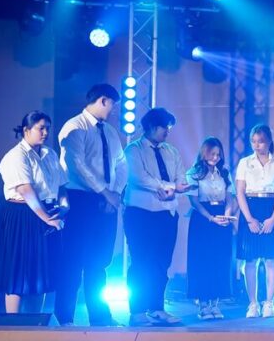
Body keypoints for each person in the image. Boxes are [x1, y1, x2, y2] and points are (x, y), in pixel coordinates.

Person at [56, 83, 127, 327]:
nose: (114, 110)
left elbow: (121, 164)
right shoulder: (74, 127)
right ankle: (65, 317)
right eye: (112, 105)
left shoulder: (110, 132)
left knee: (99, 262)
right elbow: (77, 165)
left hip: (107, 200)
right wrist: (105, 192)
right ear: (103, 100)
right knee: (73, 260)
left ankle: (100, 316)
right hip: (80, 200)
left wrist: (114, 193)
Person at [0, 111, 67, 314]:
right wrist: (48, 219)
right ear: (26, 130)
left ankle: (35, 324)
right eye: (40, 128)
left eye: (47, 128)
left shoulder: (50, 154)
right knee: (17, 273)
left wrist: (63, 206)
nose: (45, 133)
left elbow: (62, 185)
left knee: (40, 273)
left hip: (47, 213)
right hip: (22, 215)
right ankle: (13, 324)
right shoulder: (16, 156)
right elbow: (26, 190)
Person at [124, 107, 190, 327]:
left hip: (167, 213)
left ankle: (157, 308)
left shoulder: (171, 151)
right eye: (165, 127)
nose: (167, 132)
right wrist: (168, 186)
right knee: (141, 262)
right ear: (152, 127)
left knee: (162, 263)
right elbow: (138, 177)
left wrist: (175, 188)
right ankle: (137, 311)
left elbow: (181, 177)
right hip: (141, 214)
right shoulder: (134, 150)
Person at [235, 124, 274, 319]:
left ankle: (269, 303)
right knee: (250, 260)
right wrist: (249, 219)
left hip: (271, 208)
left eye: (261, 141)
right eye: (254, 141)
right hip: (250, 208)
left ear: (269, 141)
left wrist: (273, 219)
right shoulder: (244, 163)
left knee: (271, 259)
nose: (257, 145)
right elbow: (240, 192)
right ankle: (253, 303)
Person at [186, 137, 236, 321]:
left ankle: (215, 303)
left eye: (218, 154)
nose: (215, 158)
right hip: (202, 219)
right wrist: (210, 218)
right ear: (204, 153)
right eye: (212, 154)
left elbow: (229, 197)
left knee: (220, 259)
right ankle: (203, 304)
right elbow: (194, 201)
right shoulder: (193, 173)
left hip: (221, 217)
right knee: (202, 260)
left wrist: (227, 215)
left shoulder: (224, 172)